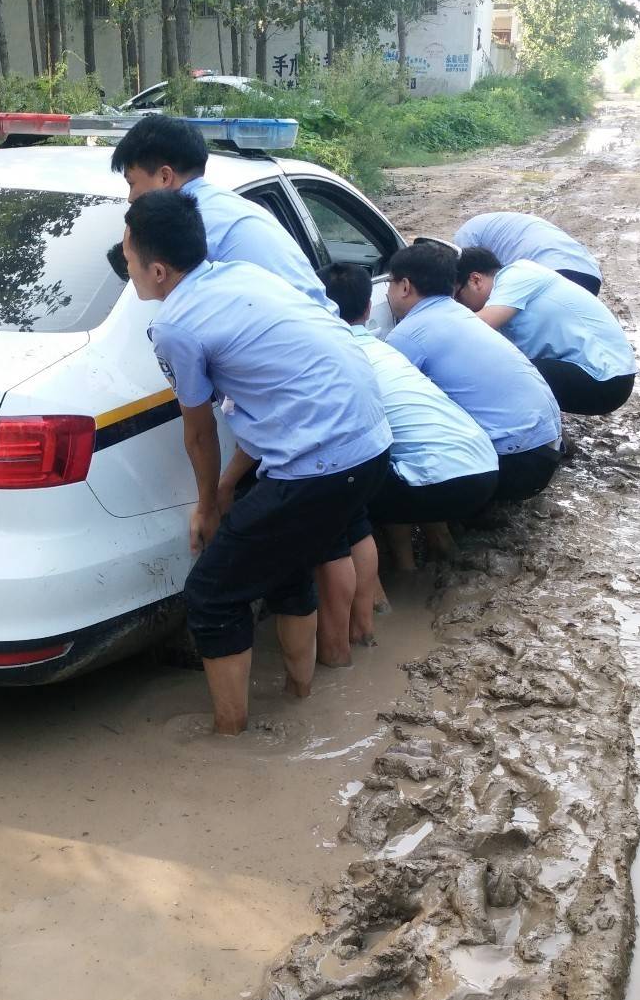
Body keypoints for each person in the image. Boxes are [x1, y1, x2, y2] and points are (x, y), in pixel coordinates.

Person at [125, 189, 391, 734]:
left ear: (155, 270)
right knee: (287, 565)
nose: (124, 266)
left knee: (211, 594)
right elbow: (276, 399)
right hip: (370, 446)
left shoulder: (176, 326)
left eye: (126, 257)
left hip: (318, 466)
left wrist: (206, 506)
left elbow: (199, 431)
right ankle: (302, 693)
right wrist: (228, 488)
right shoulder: (245, 276)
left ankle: (230, 736)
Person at [320, 262, 499, 586]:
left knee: (341, 487)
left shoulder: (333, 360)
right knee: (398, 462)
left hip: (435, 482)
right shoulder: (388, 350)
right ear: (369, 307)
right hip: (484, 469)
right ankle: (439, 550)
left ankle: (388, 593)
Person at [386, 243, 563, 505]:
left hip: (515, 464)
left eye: (389, 283)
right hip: (547, 449)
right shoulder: (461, 315)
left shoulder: (408, 335)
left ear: (404, 286)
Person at [111, 112, 335, 311]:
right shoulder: (224, 205)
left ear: (164, 177)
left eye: (131, 184)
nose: (130, 198)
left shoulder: (179, 229)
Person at [454, 248, 637, 416]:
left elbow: (478, 325)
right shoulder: (503, 305)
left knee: (497, 376)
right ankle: (553, 440)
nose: (459, 306)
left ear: (475, 280)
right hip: (593, 378)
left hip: (606, 378)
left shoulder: (518, 274)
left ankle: (540, 446)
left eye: (457, 298)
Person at [452, 211, 603, 295]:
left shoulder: (464, 239)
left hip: (553, 272)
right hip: (590, 273)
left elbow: (465, 282)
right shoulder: (499, 226)